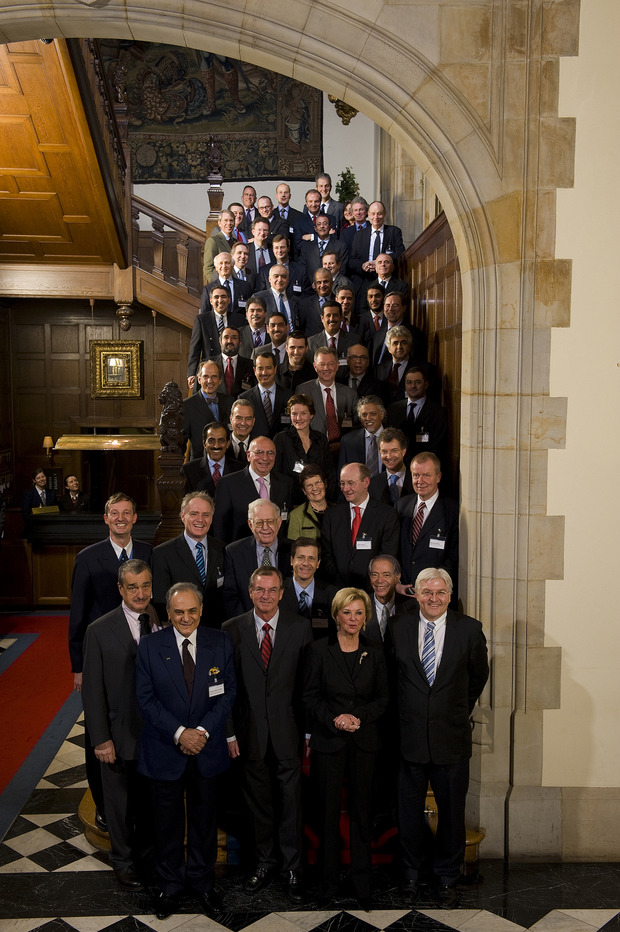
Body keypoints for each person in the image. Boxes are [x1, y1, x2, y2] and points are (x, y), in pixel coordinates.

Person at [135, 582, 236, 919]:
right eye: (179, 611)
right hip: (165, 749)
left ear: (202, 610)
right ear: (168, 613)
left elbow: (228, 694)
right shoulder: (149, 646)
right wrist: (180, 734)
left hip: (206, 750)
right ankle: (170, 886)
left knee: (205, 822)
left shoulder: (220, 642)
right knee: (166, 824)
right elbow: (145, 700)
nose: (186, 617)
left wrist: (202, 732)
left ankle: (203, 883)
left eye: (192, 610)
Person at [391, 567, 488, 909]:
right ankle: (411, 875)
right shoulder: (398, 627)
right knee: (408, 814)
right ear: (416, 594)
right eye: (426, 592)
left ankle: (448, 878)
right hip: (408, 739)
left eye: (440, 592)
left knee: (451, 814)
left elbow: (477, 677)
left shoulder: (470, 629)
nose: (433, 598)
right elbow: (391, 678)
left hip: (451, 739)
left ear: (449, 595)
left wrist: (455, 709)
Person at [223, 566, 312, 904]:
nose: (266, 596)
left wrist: (307, 732)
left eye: (273, 590)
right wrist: (230, 734)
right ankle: (264, 863)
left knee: (291, 804)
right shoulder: (232, 630)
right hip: (249, 734)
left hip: (288, 733)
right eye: (260, 589)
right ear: (250, 591)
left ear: (282, 592)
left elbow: (306, 686)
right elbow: (226, 690)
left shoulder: (299, 628)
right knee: (258, 804)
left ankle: (292, 867)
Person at [69, 493, 152, 828]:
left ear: (134, 518)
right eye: (114, 513)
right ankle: (104, 803)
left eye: (127, 513)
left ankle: (141, 797)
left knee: (136, 723)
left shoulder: (148, 553)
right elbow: (77, 616)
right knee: (99, 728)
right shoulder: (88, 558)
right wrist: (79, 667)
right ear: (106, 519)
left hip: (141, 650)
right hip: (101, 655)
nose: (120, 518)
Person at [304, 587, 388, 909]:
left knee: (362, 816)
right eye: (347, 612)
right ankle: (326, 888)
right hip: (329, 742)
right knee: (326, 817)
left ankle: (362, 886)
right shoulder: (318, 651)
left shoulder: (375, 652)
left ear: (365, 617)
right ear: (337, 615)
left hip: (364, 742)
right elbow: (309, 697)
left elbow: (383, 699)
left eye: (358, 613)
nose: (352, 619)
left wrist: (359, 717)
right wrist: (335, 720)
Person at [81, 559, 158, 890]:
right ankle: (123, 861)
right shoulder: (99, 629)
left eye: (145, 586)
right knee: (119, 804)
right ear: (120, 589)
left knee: (147, 801)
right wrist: (101, 739)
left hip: (153, 734)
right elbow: (93, 690)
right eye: (132, 587)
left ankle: (147, 857)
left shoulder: (158, 619)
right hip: (117, 734)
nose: (140, 593)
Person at [151, 492, 226, 627]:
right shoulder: (162, 554)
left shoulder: (223, 550)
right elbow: (161, 602)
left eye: (206, 515)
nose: (200, 519)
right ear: (182, 516)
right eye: (194, 514)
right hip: (181, 631)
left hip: (217, 630)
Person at [321, 463, 399, 590]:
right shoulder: (332, 515)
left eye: (351, 483)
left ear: (366, 482)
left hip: (372, 590)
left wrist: (370, 585)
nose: (345, 488)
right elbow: (326, 556)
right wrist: (340, 585)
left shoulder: (386, 515)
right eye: (342, 483)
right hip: (338, 590)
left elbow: (387, 556)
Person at [211, 435, 294, 543]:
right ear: (249, 455)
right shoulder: (228, 484)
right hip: (239, 554)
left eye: (270, 453)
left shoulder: (286, 483)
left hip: (276, 554)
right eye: (259, 452)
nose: (265, 458)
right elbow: (219, 527)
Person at [396, 452, 458, 590]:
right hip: (404, 592)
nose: (420, 481)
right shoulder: (401, 505)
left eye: (426, 475)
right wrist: (397, 584)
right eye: (416, 475)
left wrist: (434, 589)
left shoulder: (452, 511)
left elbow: (453, 558)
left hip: (434, 595)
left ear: (438, 477)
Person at [222, 499, 291, 617]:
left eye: (270, 521)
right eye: (259, 523)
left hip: (286, 624)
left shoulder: (292, 550)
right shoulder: (234, 552)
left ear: (279, 522)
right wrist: (247, 624)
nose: (265, 527)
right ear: (250, 524)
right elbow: (230, 597)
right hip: (246, 624)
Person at [273, 393, 335, 502]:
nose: (298, 418)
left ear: (311, 415)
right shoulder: (281, 439)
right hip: (290, 501)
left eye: (303, 413)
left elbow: (329, 472)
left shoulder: (321, 439)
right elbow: (276, 474)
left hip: (319, 500)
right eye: (294, 414)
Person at [186, 284, 248, 386]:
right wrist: (191, 373)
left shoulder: (239, 319)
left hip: (233, 368)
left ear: (229, 300)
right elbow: (195, 348)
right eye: (216, 297)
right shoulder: (201, 320)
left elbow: (243, 345)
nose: (220, 300)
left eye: (223, 296)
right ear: (211, 301)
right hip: (211, 370)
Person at [386, 366, 449, 463]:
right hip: (398, 466)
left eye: (418, 382)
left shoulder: (438, 412)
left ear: (426, 384)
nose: (413, 386)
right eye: (409, 382)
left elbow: (437, 446)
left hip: (423, 466)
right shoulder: (393, 409)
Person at [297, 346, 358, 442]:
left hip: (342, 447)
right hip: (313, 447)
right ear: (315, 367)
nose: (326, 368)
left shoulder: (350, 394)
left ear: (337, 365)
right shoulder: (303, 391)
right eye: (322, 364)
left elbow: (357, 425)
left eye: (330, 364)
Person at [182, 359, 234, 460]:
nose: (210, 381)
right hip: (199, 466)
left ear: (220, 380)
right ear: (199, 379)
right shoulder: (187, 405)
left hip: (227, 465)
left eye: (214, 376)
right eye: (206, 376)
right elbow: (181, 442)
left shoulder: (230, 402)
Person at [280, 536, 336, 628]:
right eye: (301, 557)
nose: (306, 563)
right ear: (291, 560)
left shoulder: (332, 594)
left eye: (311, 558)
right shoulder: (278, 592)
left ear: (318, 563)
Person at [238, 349, 292, 438]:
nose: (264, 372)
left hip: (282, 449)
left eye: (268, 368)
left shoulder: (288, 395)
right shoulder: (244, 398)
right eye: (260, 368)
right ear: (255, 371)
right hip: (255, 449)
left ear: (275, 369)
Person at [181, 421, 243, 494]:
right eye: (211, 441)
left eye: (221, 440)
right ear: (204, 443)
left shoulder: (240, 470)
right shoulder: (188, 470)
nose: (216, 446)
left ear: (228, 444)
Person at [365, 554, 413, 642]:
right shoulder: (361, 605)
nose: (379, 580)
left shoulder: (411, 608)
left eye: (386, 575)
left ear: (397, 577)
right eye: (374, 575)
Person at [338, 395, 386, 473]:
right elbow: (341, 475)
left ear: (382, 414)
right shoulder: (347, 441)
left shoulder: (396, 439)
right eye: (364, 415)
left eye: (373, 414)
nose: (368, 418)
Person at [286, 465, 334, 542]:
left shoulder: (338, 511)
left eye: (318, 483)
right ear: (304, 491)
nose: (315, 488)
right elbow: (293, 548)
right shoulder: (295, 516)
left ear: (325, 484)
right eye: (309, 486)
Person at [369, 427, 414, 505]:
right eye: (384, 451)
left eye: (394, 451)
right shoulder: (373, 484)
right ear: (379, 452)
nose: (389, 456)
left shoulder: (416, 480)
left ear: (403, 451)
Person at [212, 326, 254, 400]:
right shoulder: (208, 365)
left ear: (240, 342)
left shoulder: (250, 365)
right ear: (220, 341)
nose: (229, 341)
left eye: (234, 338)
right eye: (226, 337)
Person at [203, 209, 237, 280]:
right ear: (219, 223)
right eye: (225, 220)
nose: (229, 223)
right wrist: (216, 285)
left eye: (231, 220)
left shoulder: (235, 241)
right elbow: (208, 268)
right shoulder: (213, 241)